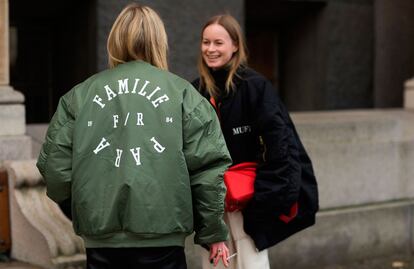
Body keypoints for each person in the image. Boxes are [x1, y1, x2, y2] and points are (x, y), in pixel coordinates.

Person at [37, 4, 233, 269]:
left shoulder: (79, 96)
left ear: (115, 39)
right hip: (164, 237)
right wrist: (212, 233)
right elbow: (208, 170)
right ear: (159, 42)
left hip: (101, 240)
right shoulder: (184, 95)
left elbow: (56, 169)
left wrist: (88, 208)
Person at [192, 14, 319, 269]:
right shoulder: (196, 91)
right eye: (206, 42)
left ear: (235, 45)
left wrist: (261, 205)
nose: (210, 49)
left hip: (248, 200)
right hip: (212, 203)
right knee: (213, 265)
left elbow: (282, 149)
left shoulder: (255, 87)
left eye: (218, 43)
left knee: (251, 263)